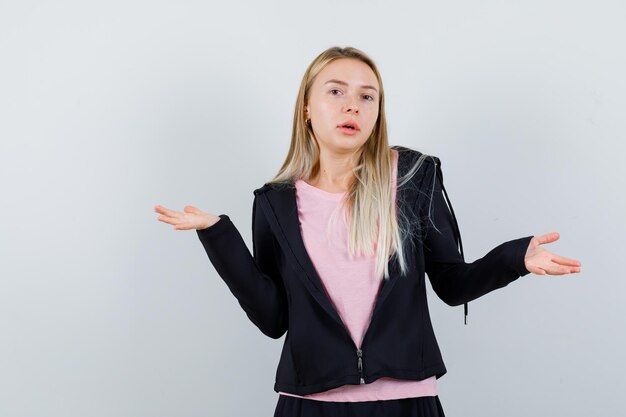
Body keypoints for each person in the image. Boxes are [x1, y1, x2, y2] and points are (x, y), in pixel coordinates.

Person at [154, 46, 581, 417]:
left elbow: (452, 285)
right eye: (336, 91)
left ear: (378, 112)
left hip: (407, 401)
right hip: (309, 403)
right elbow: (273, 318)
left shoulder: (413, 178)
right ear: (306, 106)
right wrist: (217, 235)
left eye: (367, 96)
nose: (352, 105)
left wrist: (514, 259)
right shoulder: (274, 202)